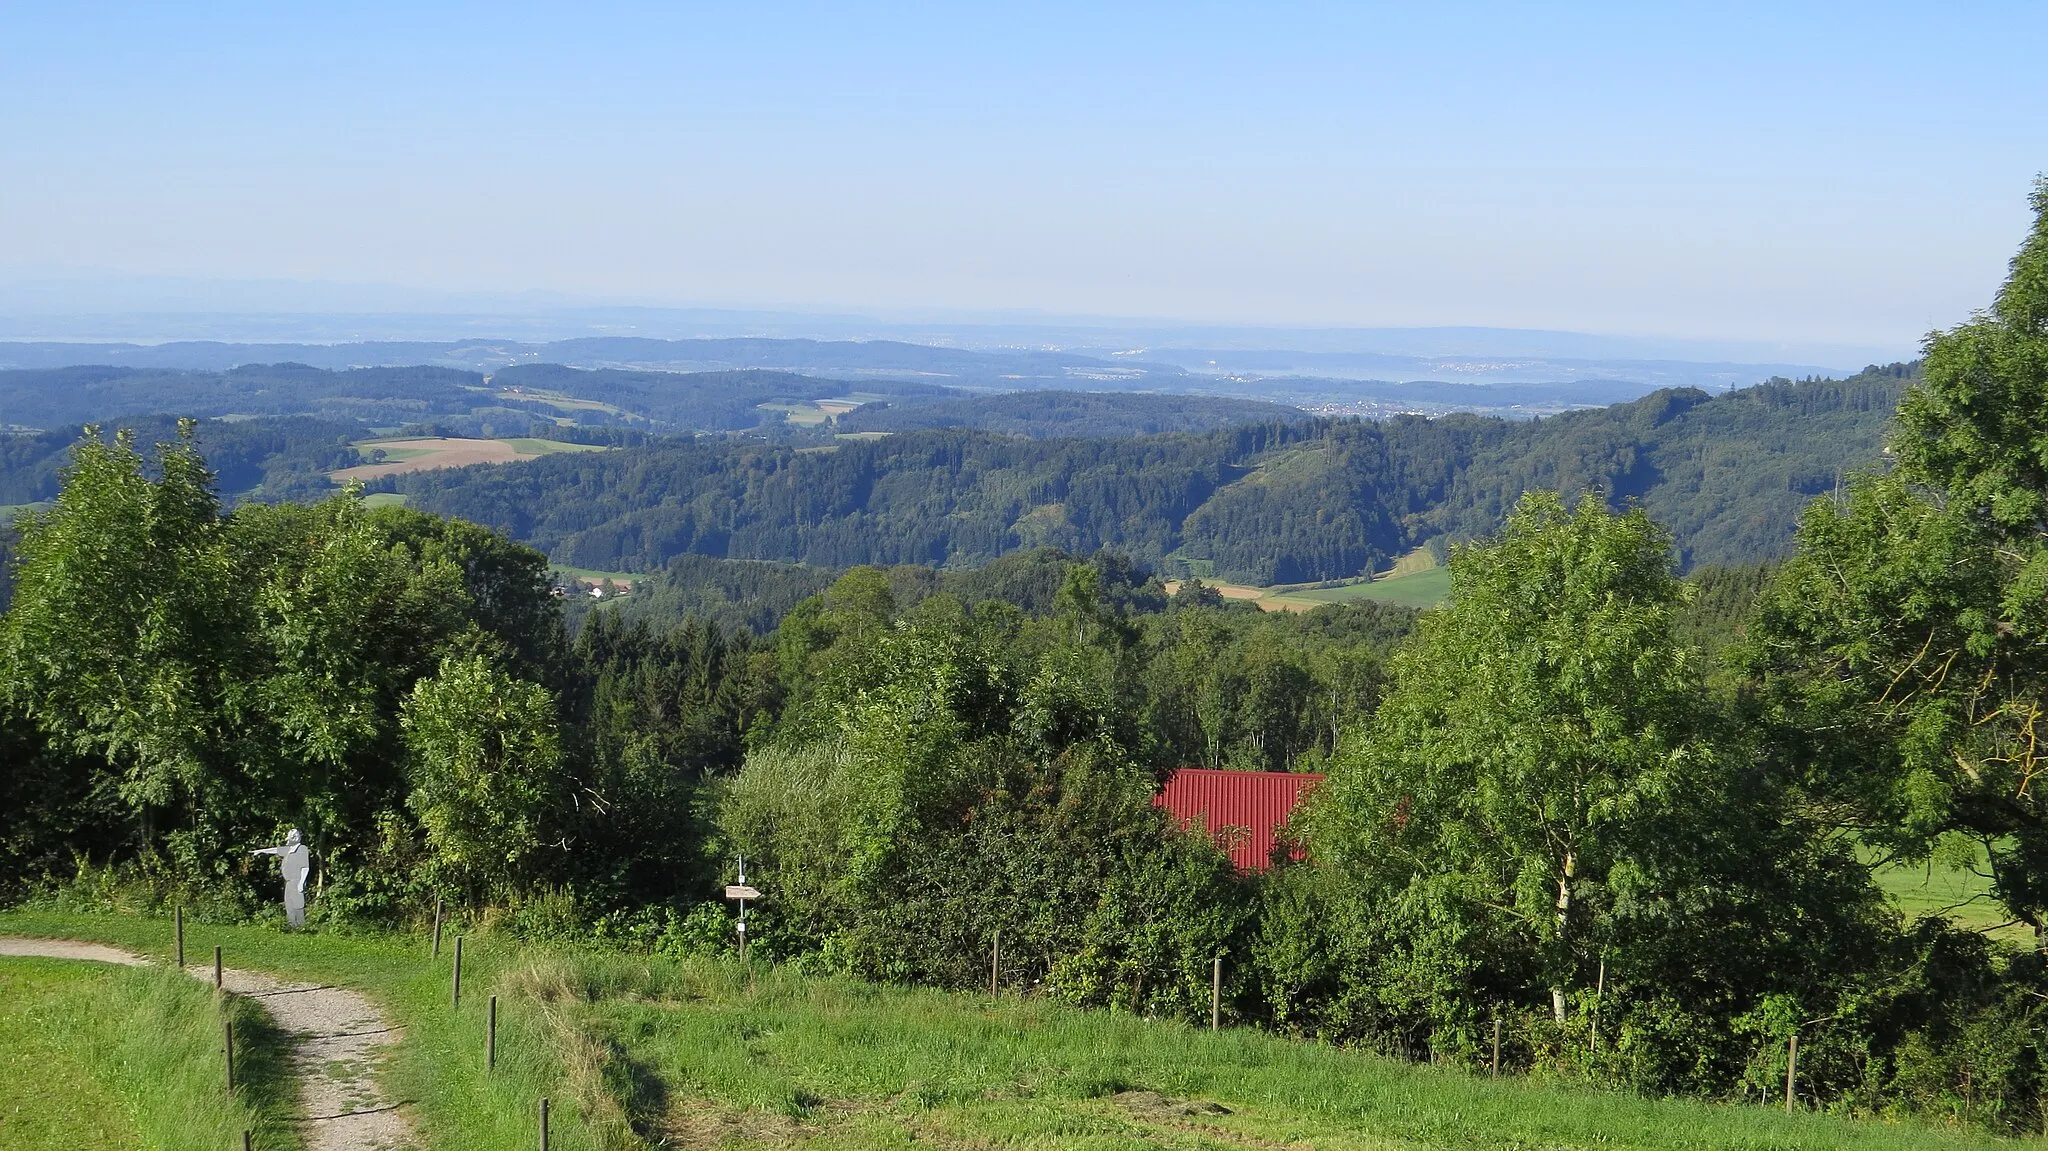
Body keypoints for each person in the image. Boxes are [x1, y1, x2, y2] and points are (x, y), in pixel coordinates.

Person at [252, 828, 312, 928]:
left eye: (295, 835)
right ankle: (292, 926)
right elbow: (276, 850)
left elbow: (305, 867)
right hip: (288, 882)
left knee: (298, 905)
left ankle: (302, 927)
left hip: (296, 881)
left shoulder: (302, 849)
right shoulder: (289, 849)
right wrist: (261, 851)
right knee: (289, 905)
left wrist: (301, 882)